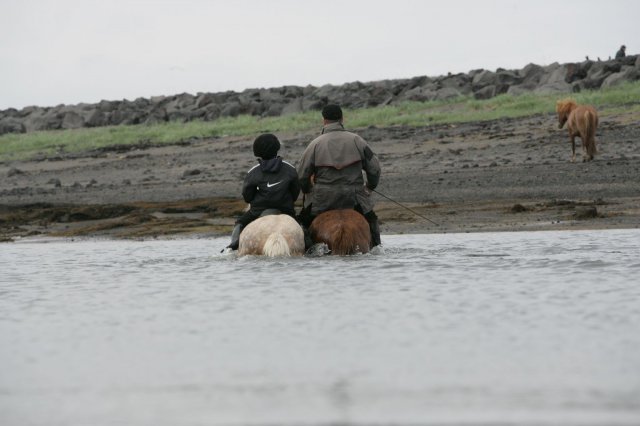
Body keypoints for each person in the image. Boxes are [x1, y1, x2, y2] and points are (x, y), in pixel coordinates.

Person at [297, 104, 382, 247]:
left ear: (324, 120)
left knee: (302, 223)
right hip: (354, 198)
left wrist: (307, 190)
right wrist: (369, 187)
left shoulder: (315, 144)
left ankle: (307, 249)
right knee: (372, 220)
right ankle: (377, 246)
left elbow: (302, 175)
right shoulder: (357, 141)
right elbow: (374, 169)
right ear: (342, 119)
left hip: (323, 199)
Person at [224, 133, 300, 250]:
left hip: (258, 211)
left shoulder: (254, 172)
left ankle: (233, 245)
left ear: (257, 151)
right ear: (277, 148)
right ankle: (310, 245)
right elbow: (295, 193)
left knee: (239, 222)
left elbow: (247, 197)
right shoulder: (290, 168)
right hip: (285, 210)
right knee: (301, 226)